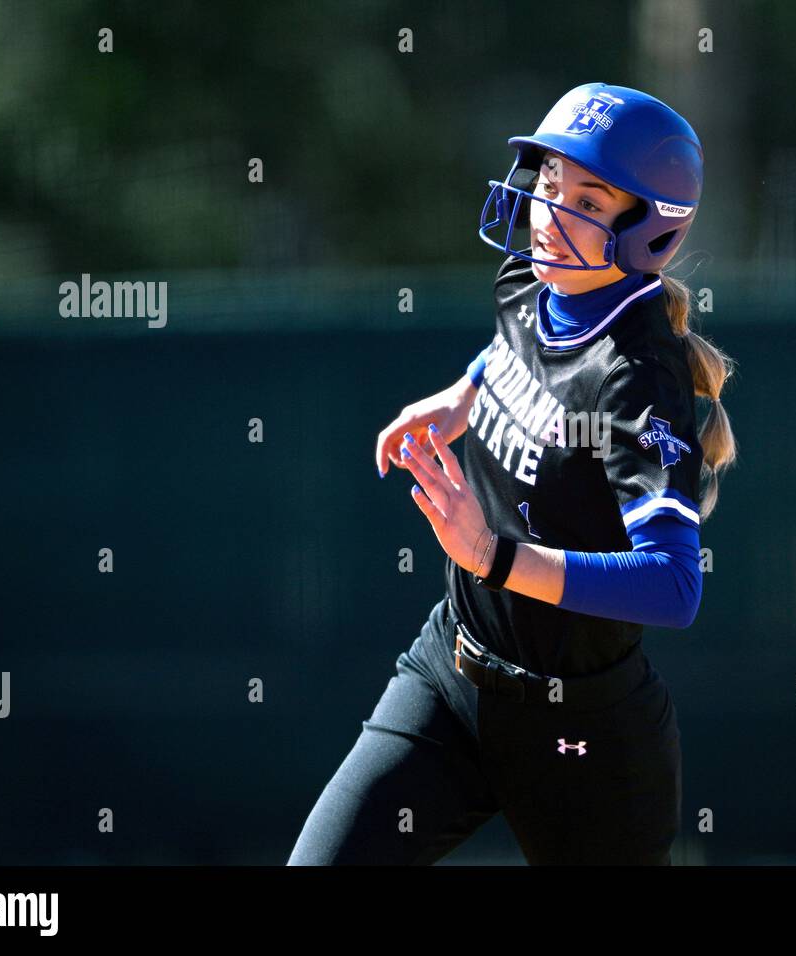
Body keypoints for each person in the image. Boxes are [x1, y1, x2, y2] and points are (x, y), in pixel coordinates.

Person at [288, 82, 737, 865]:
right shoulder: (531, 277)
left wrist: (493, 557)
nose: (550, 212)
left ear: (647, 231)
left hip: (586, 733)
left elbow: (675, 585)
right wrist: (460, 398)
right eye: (550, 185)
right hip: (450, 678)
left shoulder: (635, 378)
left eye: (588, 200)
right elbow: (513, 351)